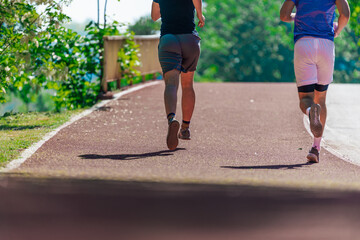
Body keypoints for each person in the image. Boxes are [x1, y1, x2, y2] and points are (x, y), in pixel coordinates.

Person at [280, 0, 350, 163]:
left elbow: (284, 15)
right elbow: (345, 15)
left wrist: (297, 16)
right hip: (326, 45)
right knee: (322, 98)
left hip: (304, 44)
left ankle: (311, 110)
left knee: (306, 99)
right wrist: (338, 30)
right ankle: (316, 147)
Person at [151, 0, 205, 151]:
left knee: (171, 84)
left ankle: (171, 119)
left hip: (169, 39)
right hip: (190, 39)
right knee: (187, 85)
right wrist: (200, 16)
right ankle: (185, 128)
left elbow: (155, 16)